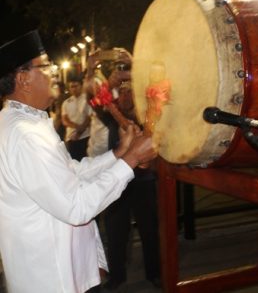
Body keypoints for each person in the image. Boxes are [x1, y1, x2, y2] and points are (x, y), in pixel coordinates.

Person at [0, 30, 157, 293]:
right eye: (46, 66)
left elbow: (71, 172)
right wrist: (131, 160)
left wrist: (118, 154)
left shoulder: (25, 123)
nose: (53, 73)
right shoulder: (25, 136)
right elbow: (76, 207)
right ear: (23, 79)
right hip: (50, 278)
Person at [85, 50, 161, 292]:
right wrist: (106, 78)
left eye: (131, 90)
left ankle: (155, 274)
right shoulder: (111, 115)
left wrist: (136, 66)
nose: (127, 95)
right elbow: (96, 97)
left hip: (144, 178)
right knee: (116, 231)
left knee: (150, 229)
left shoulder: (148, 114)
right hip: (117, 178)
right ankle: (117, 276)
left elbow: (160, 86)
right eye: (123, 91)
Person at [62, 76, 92, 160]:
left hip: (86, 136)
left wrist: (80, 131)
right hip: (71, 138)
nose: (74, 89)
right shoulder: (66, 103)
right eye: (72, 86)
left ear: (81, 86)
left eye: (76, 86)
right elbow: (64, 120)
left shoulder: (87, 99)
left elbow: (89, 117)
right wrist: (77, 127)